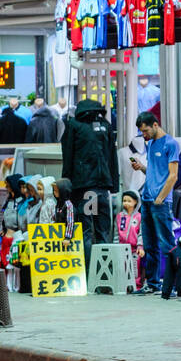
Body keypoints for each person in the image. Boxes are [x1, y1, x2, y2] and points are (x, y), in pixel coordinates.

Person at [60, 98, 118, 267]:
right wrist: (113, 184)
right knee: (103, 232)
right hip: (103, 190)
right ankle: (106, 275)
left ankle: (88, 274)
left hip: (85, 190)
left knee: (86, 232)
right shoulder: (105, 126)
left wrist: (67, 186)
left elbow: (68, 156)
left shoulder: (74, 126)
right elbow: (112, 157)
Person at [131, 111, 178, 296]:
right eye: (142, 132)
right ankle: (152, 284)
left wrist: (161, 197)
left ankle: (173, 286)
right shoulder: (150, 144)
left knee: (168, 244)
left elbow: (173, 176)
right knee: (149, 246)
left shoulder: (170, 144)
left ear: (155, 125)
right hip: (148, 200)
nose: (144, 135)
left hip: (161, 202)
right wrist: (141, 168)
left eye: (145, 130)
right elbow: (154, 171)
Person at [116, 191, 145, 287]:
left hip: (134, 249)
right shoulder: (120, 216)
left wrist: (140, 246)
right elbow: (116, 232)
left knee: (134, 267)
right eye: (124, 201)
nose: (126, 203)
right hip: (121, 247)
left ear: (136, 202)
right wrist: (115, 245)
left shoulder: (139, 217)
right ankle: (123, 285)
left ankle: (136, 285)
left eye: (129, 201)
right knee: (122, 266)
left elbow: (141, 233)